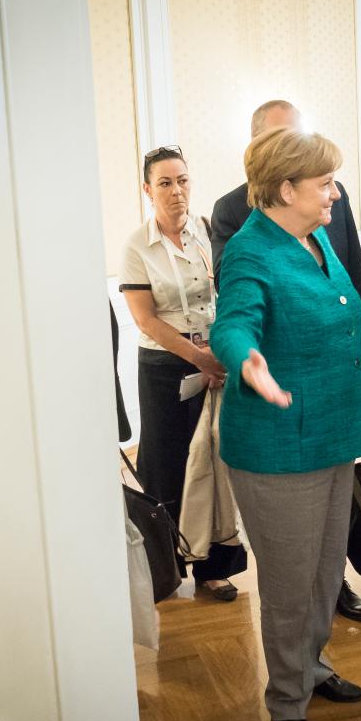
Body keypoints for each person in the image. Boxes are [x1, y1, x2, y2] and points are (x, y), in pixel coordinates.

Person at [210, 126, 361, 721]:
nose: (334, 194)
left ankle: (313, 667)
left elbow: (337, 313)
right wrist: (248, 362)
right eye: (325, 183)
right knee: (288, 585)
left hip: (334, 434)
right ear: (285, 189)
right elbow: (234, 323)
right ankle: (286, 697)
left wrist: (357, 375)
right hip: (278, 447)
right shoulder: (252, 251)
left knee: (321, 575)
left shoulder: (314, 237)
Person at [118, 146, 248, 600]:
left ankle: (215, 568)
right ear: (148, 190)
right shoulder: (137, 246)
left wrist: (220, 353)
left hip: (216, 360)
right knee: (166, 465)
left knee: (214, 461)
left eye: (183, 181)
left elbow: (227, 293)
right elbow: (146, 320)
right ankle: (163, 566)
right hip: (164, 367)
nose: (177, 192)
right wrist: (199, 360)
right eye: (166, 183)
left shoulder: (208, 231)